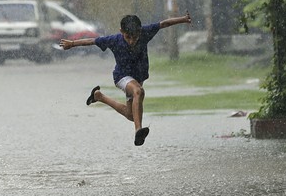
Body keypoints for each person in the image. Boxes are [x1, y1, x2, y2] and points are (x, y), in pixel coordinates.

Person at [59, 12, 192, 146]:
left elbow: (163, 24)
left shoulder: (145, 32)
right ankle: (138, 130)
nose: (131, 41)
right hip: (122, 76)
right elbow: (92, 41)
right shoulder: (114, 40)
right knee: (139, 91)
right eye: (128, 37)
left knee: (131, 115)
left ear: (140, 31)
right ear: (121, 31)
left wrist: (183, 19)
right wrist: (72, 43)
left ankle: (99, 96)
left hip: (138, 77)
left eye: (135, 37)